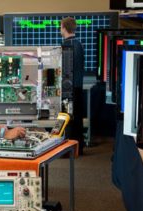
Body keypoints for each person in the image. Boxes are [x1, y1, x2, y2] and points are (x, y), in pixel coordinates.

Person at [60, 17, 85, 155]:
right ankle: (78, 149)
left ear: (64, 27)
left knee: (67, 120)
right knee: (78, 120)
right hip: (79, 88)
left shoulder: (65, 46)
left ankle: (68, 151)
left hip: (67, 91)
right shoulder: (79, 45)